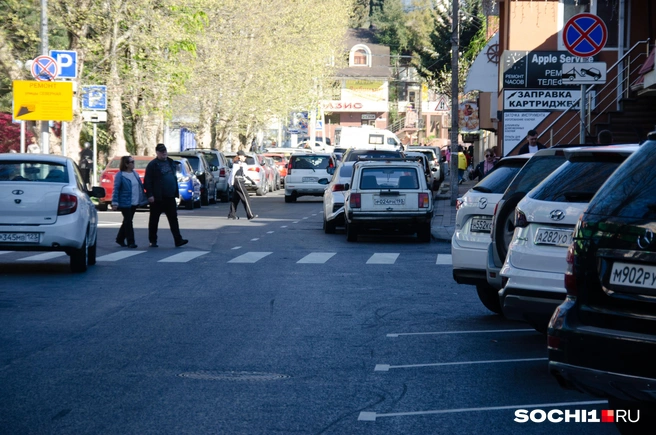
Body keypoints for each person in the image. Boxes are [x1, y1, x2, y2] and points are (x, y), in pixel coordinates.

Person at [144, 144, 188, 248]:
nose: (164, 153)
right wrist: (150, 194)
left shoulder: (170, 162)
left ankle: (178, 239)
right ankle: (152, 240)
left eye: (165, 151)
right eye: (161, 151)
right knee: (154, 220)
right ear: (157, 153)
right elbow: (148, 181)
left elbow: (173, 177)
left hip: (170, 196)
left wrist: (175, 192)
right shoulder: (153, 165)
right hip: (158, 197)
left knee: (173, 219)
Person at [111, 156, 147, 248]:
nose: (133, 164)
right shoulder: (120, 175)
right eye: (132, 162)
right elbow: (116, 189)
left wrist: (143, 198)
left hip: (134, 201)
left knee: (127, 221)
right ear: (126, 164)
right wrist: (114, 202)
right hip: (125, 202)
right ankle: (131, 242)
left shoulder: (135, 173)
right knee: (128, 221)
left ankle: (120, 239)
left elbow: (139, 187)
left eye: (133, 162)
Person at [228, 150, 257, 220]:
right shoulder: (236, 164)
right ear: (240, 156)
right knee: (246, 197)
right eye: (244, 156)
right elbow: (232, 174)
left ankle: (232, 214)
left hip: (240, 181)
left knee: (235, 199)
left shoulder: (242, 164)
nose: (245, 158)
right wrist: (231, 183)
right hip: (238, 181)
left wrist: (251, 181)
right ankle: (250, 214)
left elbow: (245, 174)